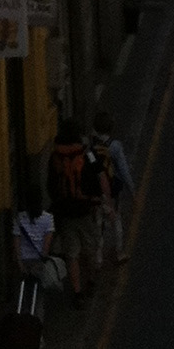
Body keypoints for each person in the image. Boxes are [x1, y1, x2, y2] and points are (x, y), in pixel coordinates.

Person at [48, 117, 104, 306]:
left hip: (65, 213)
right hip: (85, 210)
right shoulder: (86, 154)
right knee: (90, 248)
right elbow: (97, 178)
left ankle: (77, 292)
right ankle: (92, 281)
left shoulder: (55, 157)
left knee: (71, 253)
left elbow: (50, 186)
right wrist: (97, 200)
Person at [93, 114, 134, 265]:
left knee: (98, 224)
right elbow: (123, 171)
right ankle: (119, 252)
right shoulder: (115, 146)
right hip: (112, 190)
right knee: (115, 220)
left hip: (96, 191)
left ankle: (98, 258)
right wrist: (132, 191)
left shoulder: (91, 145)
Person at [13, 185, 55, 286]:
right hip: (39, 260)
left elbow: (16, 241)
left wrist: (19, 263)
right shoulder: (48, 218)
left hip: (24, 259)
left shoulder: (19, 219)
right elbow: (47, 244)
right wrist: (42, 261)